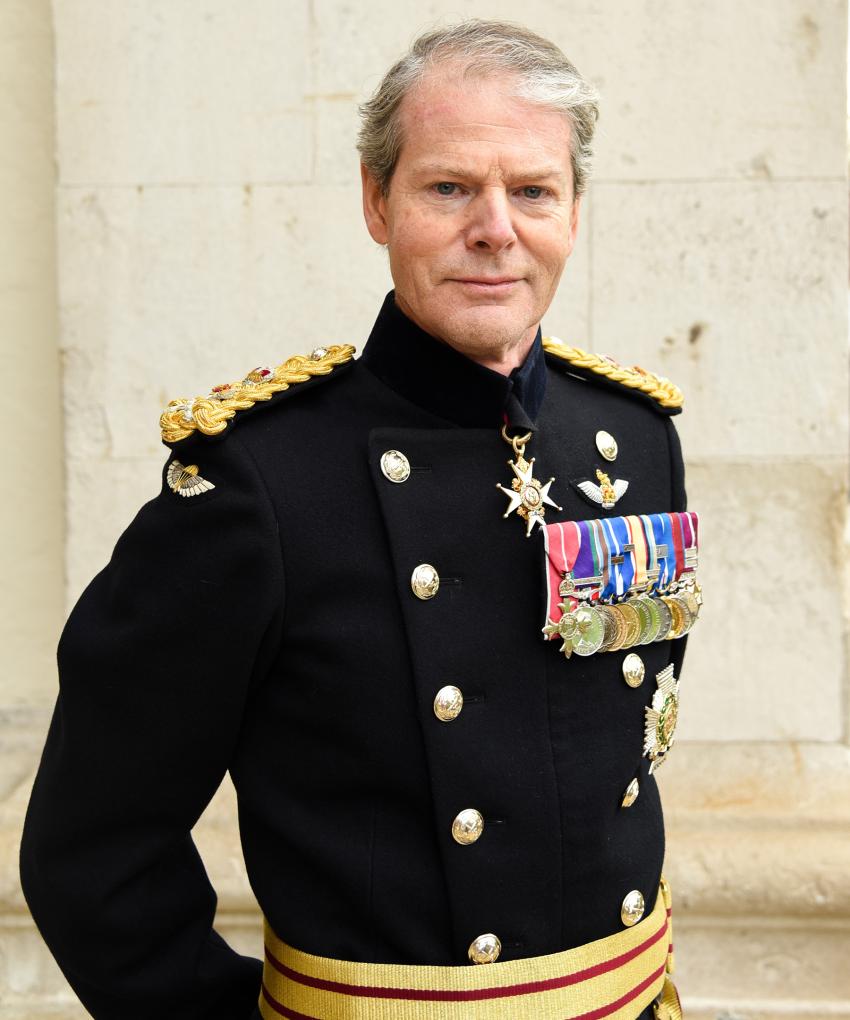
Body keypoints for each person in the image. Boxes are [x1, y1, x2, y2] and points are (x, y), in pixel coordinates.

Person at [20, 19, 695, 1020]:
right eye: (448, 187)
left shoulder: (632, 438)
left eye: (532, 191)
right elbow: (93, 850)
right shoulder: (259, 480)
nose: (495, 228)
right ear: (376, 203)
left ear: (574, 211)